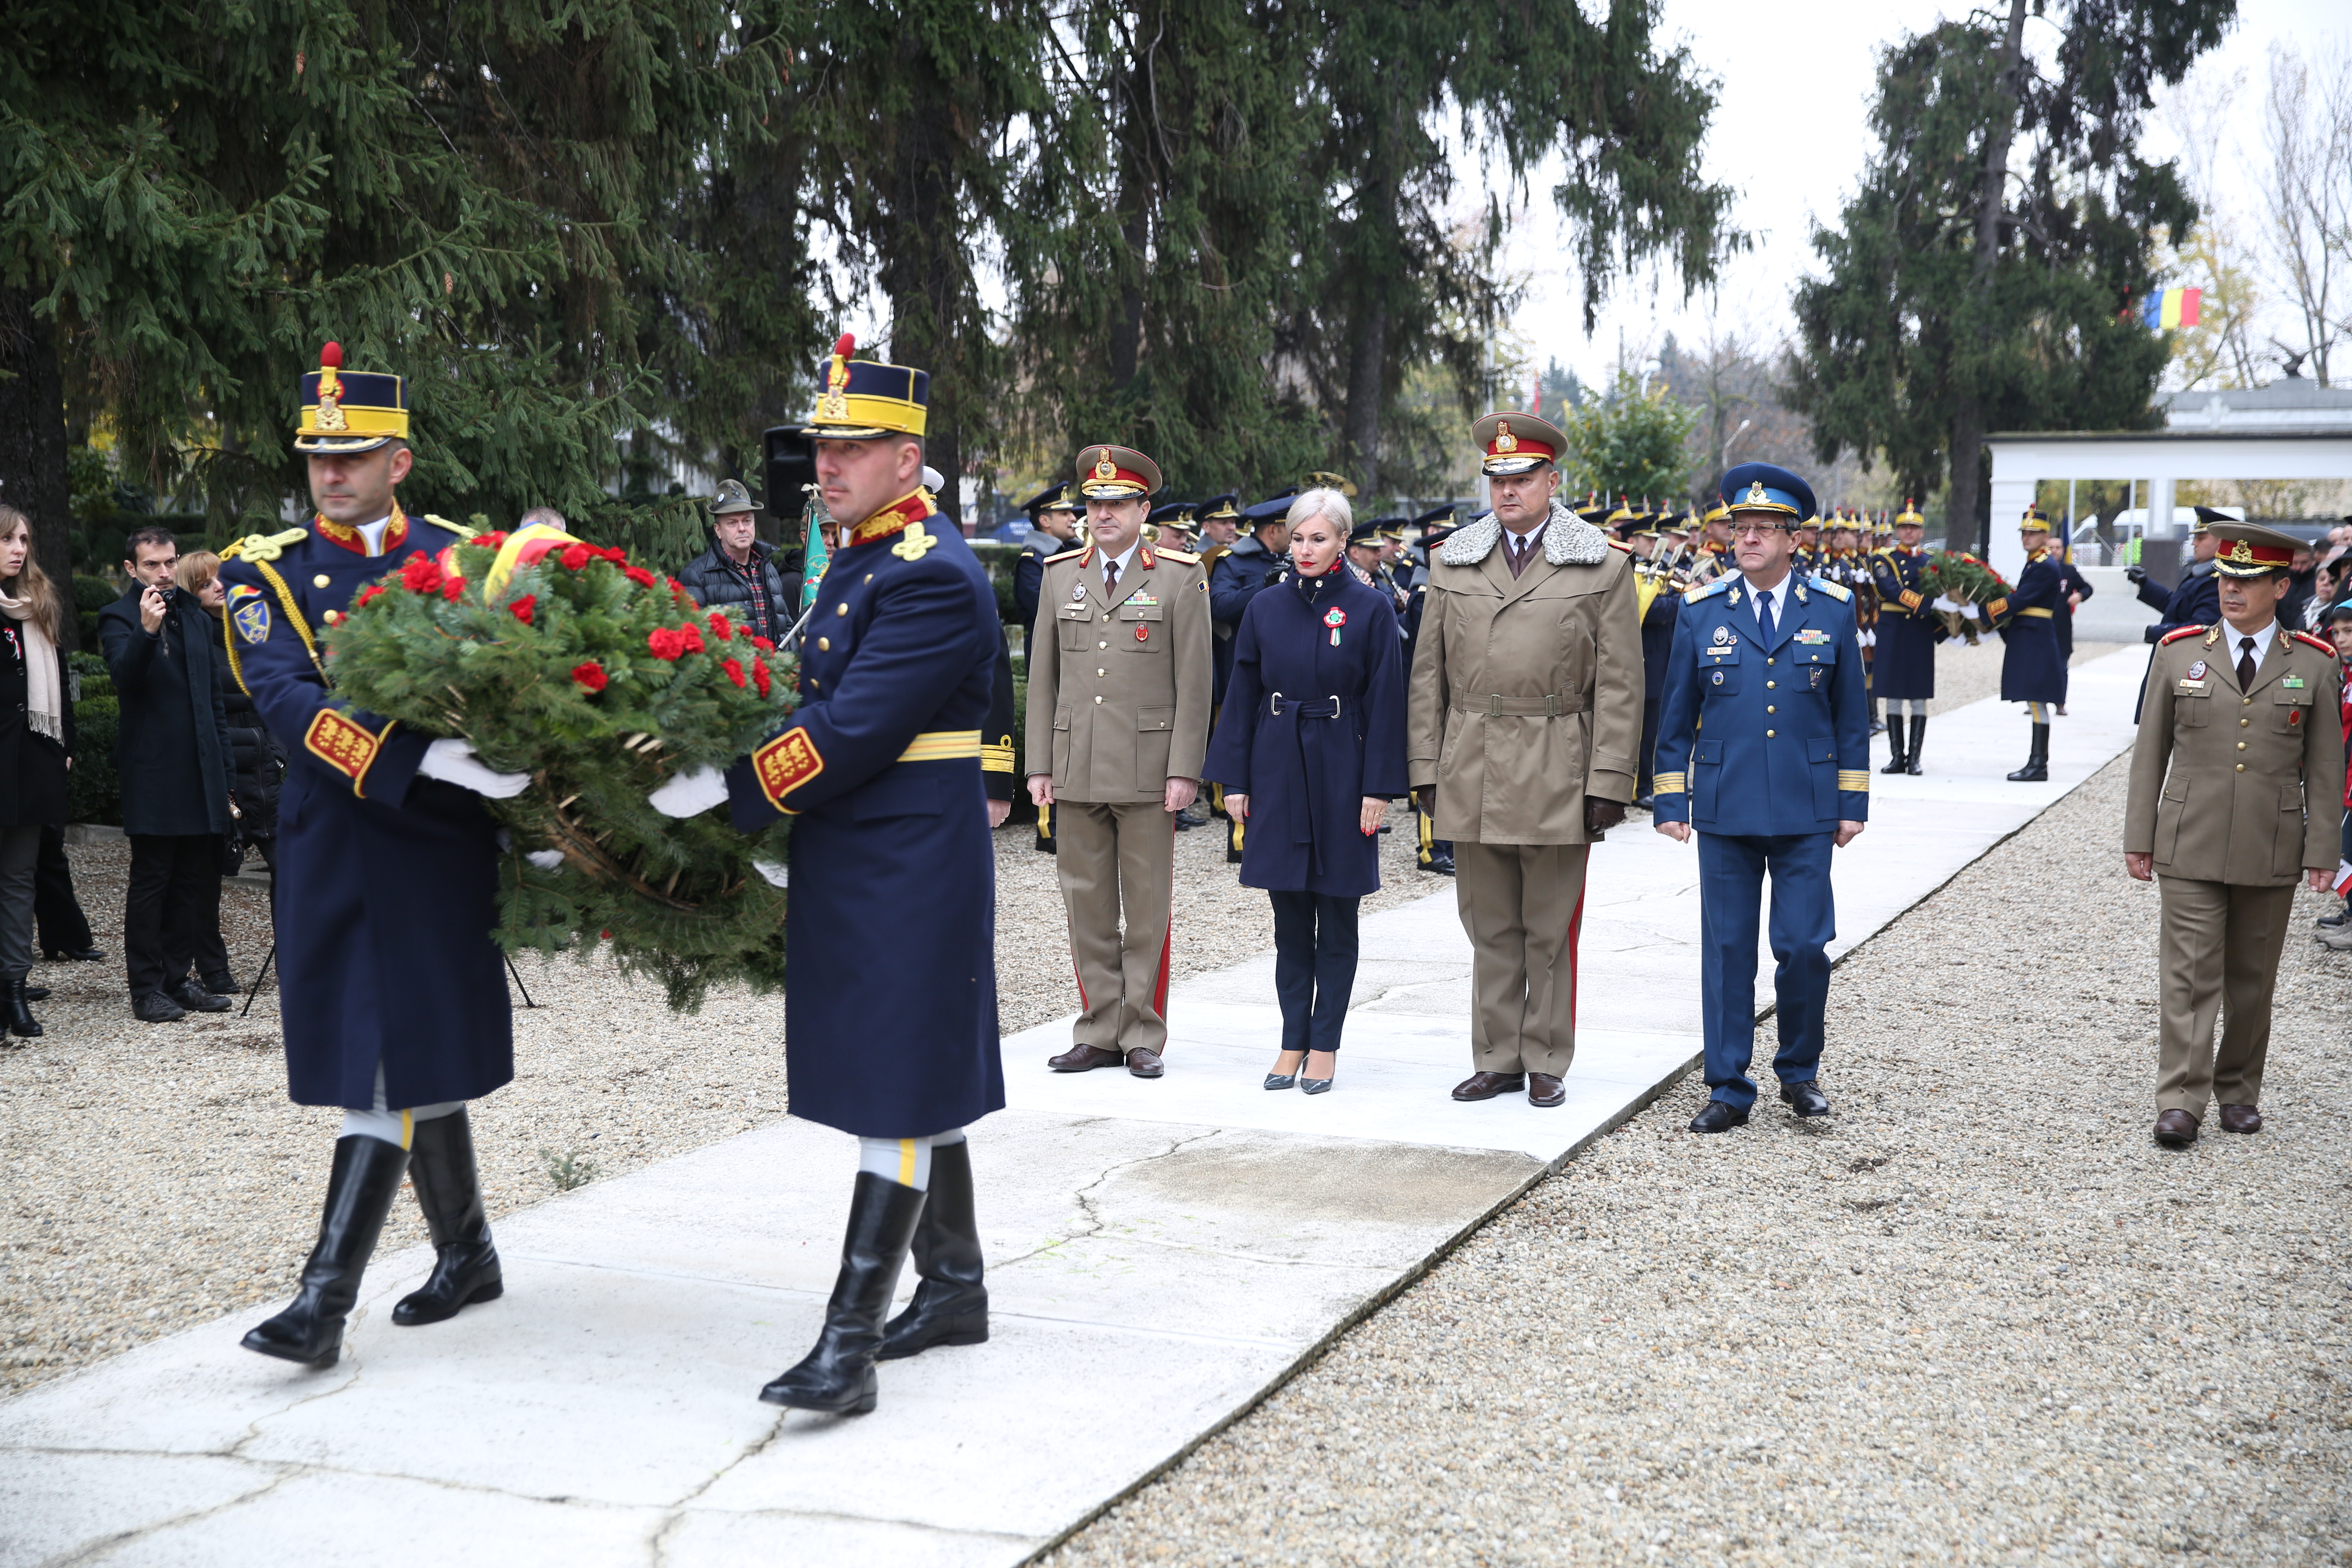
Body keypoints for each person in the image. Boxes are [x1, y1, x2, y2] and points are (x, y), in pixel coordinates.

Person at [653, 334, 1005, 1412]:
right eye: (824, 446)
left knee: (893, 1090)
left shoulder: (931, 572)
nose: (829, 465)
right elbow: (799, 694)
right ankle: (953, 1284)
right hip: (863, 846)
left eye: (854, 446)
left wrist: (728, 792)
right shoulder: (859, 554)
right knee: (902, 1071)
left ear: (909, 457)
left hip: (908, 851)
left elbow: (852, 728)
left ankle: (846, 1347)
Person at [224, 341, 529, 1368]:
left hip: (442, 843)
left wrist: (520, 782)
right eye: (318, 457)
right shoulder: (262, 570)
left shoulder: (459, 556)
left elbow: (519, 674)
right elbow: (286, 704)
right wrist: (421, 755)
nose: (331, 473)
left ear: (398, 460)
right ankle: (335, 1298)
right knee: (379, 1060)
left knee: (413, 1049)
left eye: (352, 456)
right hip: (346, 839)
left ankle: (456, 1257)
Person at [1408, 410, 1642, 1109]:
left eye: (1524, 478)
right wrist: (1424, 767)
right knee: (1488, 923)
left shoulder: (1601, 563)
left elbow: (1622, 687)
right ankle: (1498, 1056)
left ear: (1553, 480)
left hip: (1557, 759)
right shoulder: (1453, 561)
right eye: (1498, 479)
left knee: (1547, 924)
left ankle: (1545, 1057)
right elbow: (1428, 678)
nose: (1508, 492)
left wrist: (1609, 782)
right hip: (1472, 758)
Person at [1652, 463, 1869, 1133]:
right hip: (1724, 803)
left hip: (1807, 807)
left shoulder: (1831, 609)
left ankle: (1799, 1073)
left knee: (1804, 945)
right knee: (1727, 951)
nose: (1747, 539)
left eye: (1763, 530)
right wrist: (1670, 800)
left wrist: (1852, 801)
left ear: (1790, 539)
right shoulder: (1701, 610)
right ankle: (1727, 1085)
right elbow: (1676, 711)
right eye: (1740, 528)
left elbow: (1851, 715)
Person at [2124, 522, 2344, 1148]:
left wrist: (2322, 850)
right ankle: (2181, 1100)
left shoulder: (2315, 662)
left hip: (2270, 845)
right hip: (2188, 839)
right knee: (2189, 976)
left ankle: (2239, 1090)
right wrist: (2139, 837)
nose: (2232, 590)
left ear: (2281, 586)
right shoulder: (2178, 652)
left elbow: (2326, 767)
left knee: (2252, 980)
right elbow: (2151, 754)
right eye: (2226, 578)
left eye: (2248, 581)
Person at [1204, 490, 1406, 1094]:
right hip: (1278, 769)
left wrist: (1378, 788)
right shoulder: (1265, 607)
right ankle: (1292, 1039)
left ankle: (1326, 1044)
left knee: (1337, 917)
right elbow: (1240, 695)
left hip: (1344, 771)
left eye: (1318, 538)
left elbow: (1388, 704)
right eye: (1296, 539)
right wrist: (1234, 781)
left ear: (1343, 540)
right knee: (1289, 920)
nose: (1305, 549)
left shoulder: (1369, 609)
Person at [1025, 444, 1214, 1079]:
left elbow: (1196, 684)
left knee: (1147, 908)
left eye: (1117, 503)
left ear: (1143, 509)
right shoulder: (1059, 576)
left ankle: (1143, 1034)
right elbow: (1043, 681)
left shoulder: (1180, 575)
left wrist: (1186, 768)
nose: (1103, 514)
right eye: (1094, 503)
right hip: (1076, 766)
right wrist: (1039, 765)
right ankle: (1099, 1029)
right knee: (1087, 908)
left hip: (1147, 768)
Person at [97, 526, 236, 1022]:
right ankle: (146, 987)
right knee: (153, 879)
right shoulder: (117, 616)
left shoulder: (197, 618)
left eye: (170, 562)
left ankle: (179, 981)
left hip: (201, 772)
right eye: (153, 564)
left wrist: (225, 773)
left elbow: (214, 701)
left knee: (191, 882)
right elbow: (124, 679)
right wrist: (147, 629)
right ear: (133, 570)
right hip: (154, 774)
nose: (165, 572)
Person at [179, 548, 283, 988]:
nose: (217, 588)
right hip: (224, 769)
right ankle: (213, 969)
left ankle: (295, 960)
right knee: (209, 877)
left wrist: (279, 753)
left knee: (291, 869)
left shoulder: (251, 630)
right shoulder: (191, 636)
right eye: (204, 583)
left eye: (220, 579)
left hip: (266, 768)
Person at [0, 506, 73, 1038]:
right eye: (7, 539)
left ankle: (14, 990)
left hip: (31, 764)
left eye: (24, 539)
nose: (19, 549)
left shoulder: (37, 605)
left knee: (20, 880)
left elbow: (59, 681)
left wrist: (63, 744)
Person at [1210, 494, 1296, 863]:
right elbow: (1219, 605)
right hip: (1247, 667)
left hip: (1289, 671)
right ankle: (1242, 840)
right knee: (1247, 748)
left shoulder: (1296, 559)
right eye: (1291, 531)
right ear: (1274, 529)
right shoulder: (1235, 561)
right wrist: (1263, 585)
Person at [1869, 500, 1941, 774]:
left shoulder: (1931, 562)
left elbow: (1940, 594)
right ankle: (1898, 756)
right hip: (1894, 630)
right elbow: (1889, 589)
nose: (1909, 532)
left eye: (1914, 527)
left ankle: (1915, 759)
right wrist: (1928, 605)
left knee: (1919, 694)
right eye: (1904, 527)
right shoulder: (1883, 559)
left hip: (1920, 632)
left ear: (1922, 532)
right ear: (1897, 531)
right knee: (1894, 694)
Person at [677, 480, 791, 645]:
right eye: (732, 523)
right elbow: (692, 640)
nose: (742, 528)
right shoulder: (696, 576)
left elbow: (785, 626)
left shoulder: (768, 569)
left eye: (747, 521)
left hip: (773, 670)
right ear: (718, 530)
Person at [1996, 506, 2062, 782]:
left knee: (2037, 701)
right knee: (2035, 701)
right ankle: (2037, 762)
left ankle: (2039, 764)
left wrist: (1987, 610)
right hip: (2031, 634)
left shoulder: (2044, 566)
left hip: (2035, 637)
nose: (2027, 537)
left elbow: (2021, 600)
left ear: (2045, 536)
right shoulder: (2037, 562)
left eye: (2033, 533)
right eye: (2025, 532)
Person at [2129, 508, 2221, 643]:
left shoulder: (2217, 581)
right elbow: (2178, 607)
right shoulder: (2204, 574)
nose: (2194, 543)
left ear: (2221, 542)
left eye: (2201, 538)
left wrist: (2158, 633)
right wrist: (2146, 584)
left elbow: (2202, 628)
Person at [1012, 481, 1082, 640]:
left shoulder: (1075, 550)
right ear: (1045, 521)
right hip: (1047, 650)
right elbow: (1045, 612)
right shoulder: (1031, 563)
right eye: (1064, 514)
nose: (1073, 518)